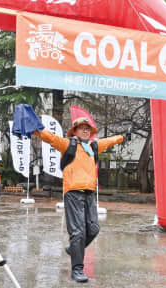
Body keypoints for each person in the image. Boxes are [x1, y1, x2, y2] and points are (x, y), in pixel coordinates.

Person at [33, 115, 128, 283]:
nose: (86, 130)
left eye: (88, 128)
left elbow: (110, 141)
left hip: (89, 193)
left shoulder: (94, 147)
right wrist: (35, 128)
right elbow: (50, 137)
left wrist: (123, 137)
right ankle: (77, 269)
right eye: (82, 128)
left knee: (93, 229)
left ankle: (74, 248)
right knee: (78, 232)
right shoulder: (68, 144)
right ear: (75, 131)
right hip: (73, 193)